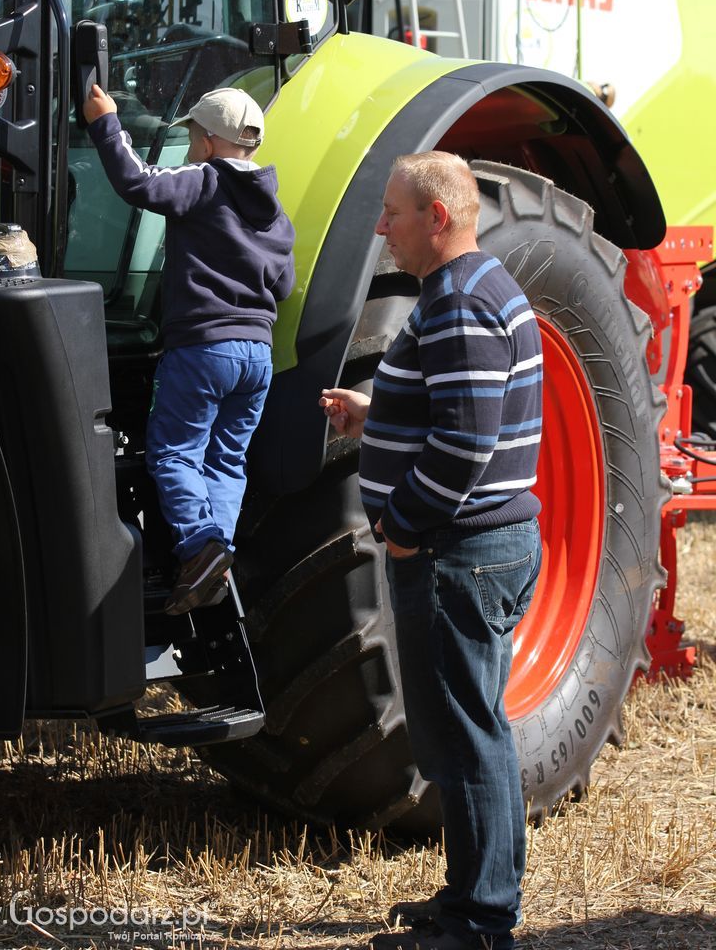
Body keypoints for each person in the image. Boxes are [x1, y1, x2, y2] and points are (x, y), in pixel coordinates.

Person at [320, 152, 543, 950]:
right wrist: (375, 414)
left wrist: (405, 530)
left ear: (437, 218)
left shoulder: (457, 303)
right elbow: (457, 408)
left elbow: (463, 446)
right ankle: (474, 898)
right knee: (471, 730)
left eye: (394, 213)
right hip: (481, 546)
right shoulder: (482, 291)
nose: (382, 228)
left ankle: (480, 922)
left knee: (465, 735)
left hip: (460, 553)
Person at [84, 83, 295, 614]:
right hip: (257, 356)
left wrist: (105, 122)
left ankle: (198, 546)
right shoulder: (276, 212)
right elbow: (284, 286)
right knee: (225, 459)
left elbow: (137, 181)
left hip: (204, 349)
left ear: (204, 140)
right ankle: (210, 565)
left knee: (174, 451)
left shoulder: (203, 184)